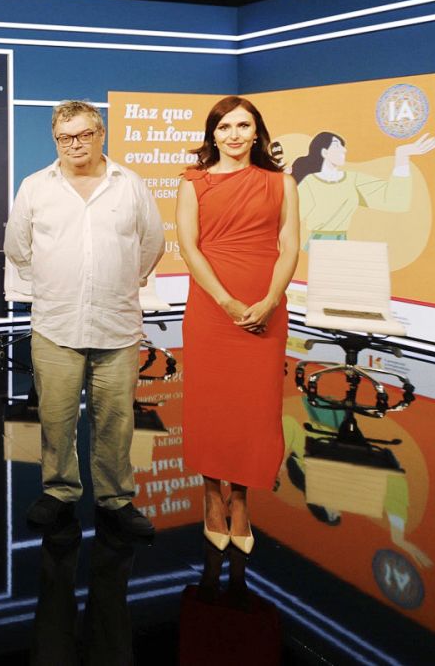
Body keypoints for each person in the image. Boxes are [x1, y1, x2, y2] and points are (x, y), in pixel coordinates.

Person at [5, 100, 163, 540]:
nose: (74, 144)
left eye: (83, 135)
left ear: (101, 134)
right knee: (55, 418)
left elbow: (152, 245)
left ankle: (115, 498)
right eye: (64, 137)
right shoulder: (35, 187)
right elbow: (18, 250)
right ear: (55, 139)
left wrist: (116, 280)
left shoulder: (130, 185)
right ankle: (59, 492)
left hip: (117, 324)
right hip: (55, 324)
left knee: (116, 419)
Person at [175, 95, 300, 588]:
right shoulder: (193, 181)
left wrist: (270, 299)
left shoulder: (280, 182)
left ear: (256, 132)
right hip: (211, 307)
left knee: (256, 406)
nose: (233, 134)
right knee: (211, 404)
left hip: (265, 305)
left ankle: (242, 500)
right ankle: (211, 495)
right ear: (213, 133)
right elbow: (189, 247)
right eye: (224, 126)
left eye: (243, 125)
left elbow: (290, 244)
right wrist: (226, 302)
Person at [289, 130, 435, 247]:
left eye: (343, 146)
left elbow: (394, 200)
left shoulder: (352, 180)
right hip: (316, 247)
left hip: (342, 246)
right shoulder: (310, 183)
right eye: (337, 145)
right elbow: (291, 220)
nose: (344, 150)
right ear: (324, 152)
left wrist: (402, 156)